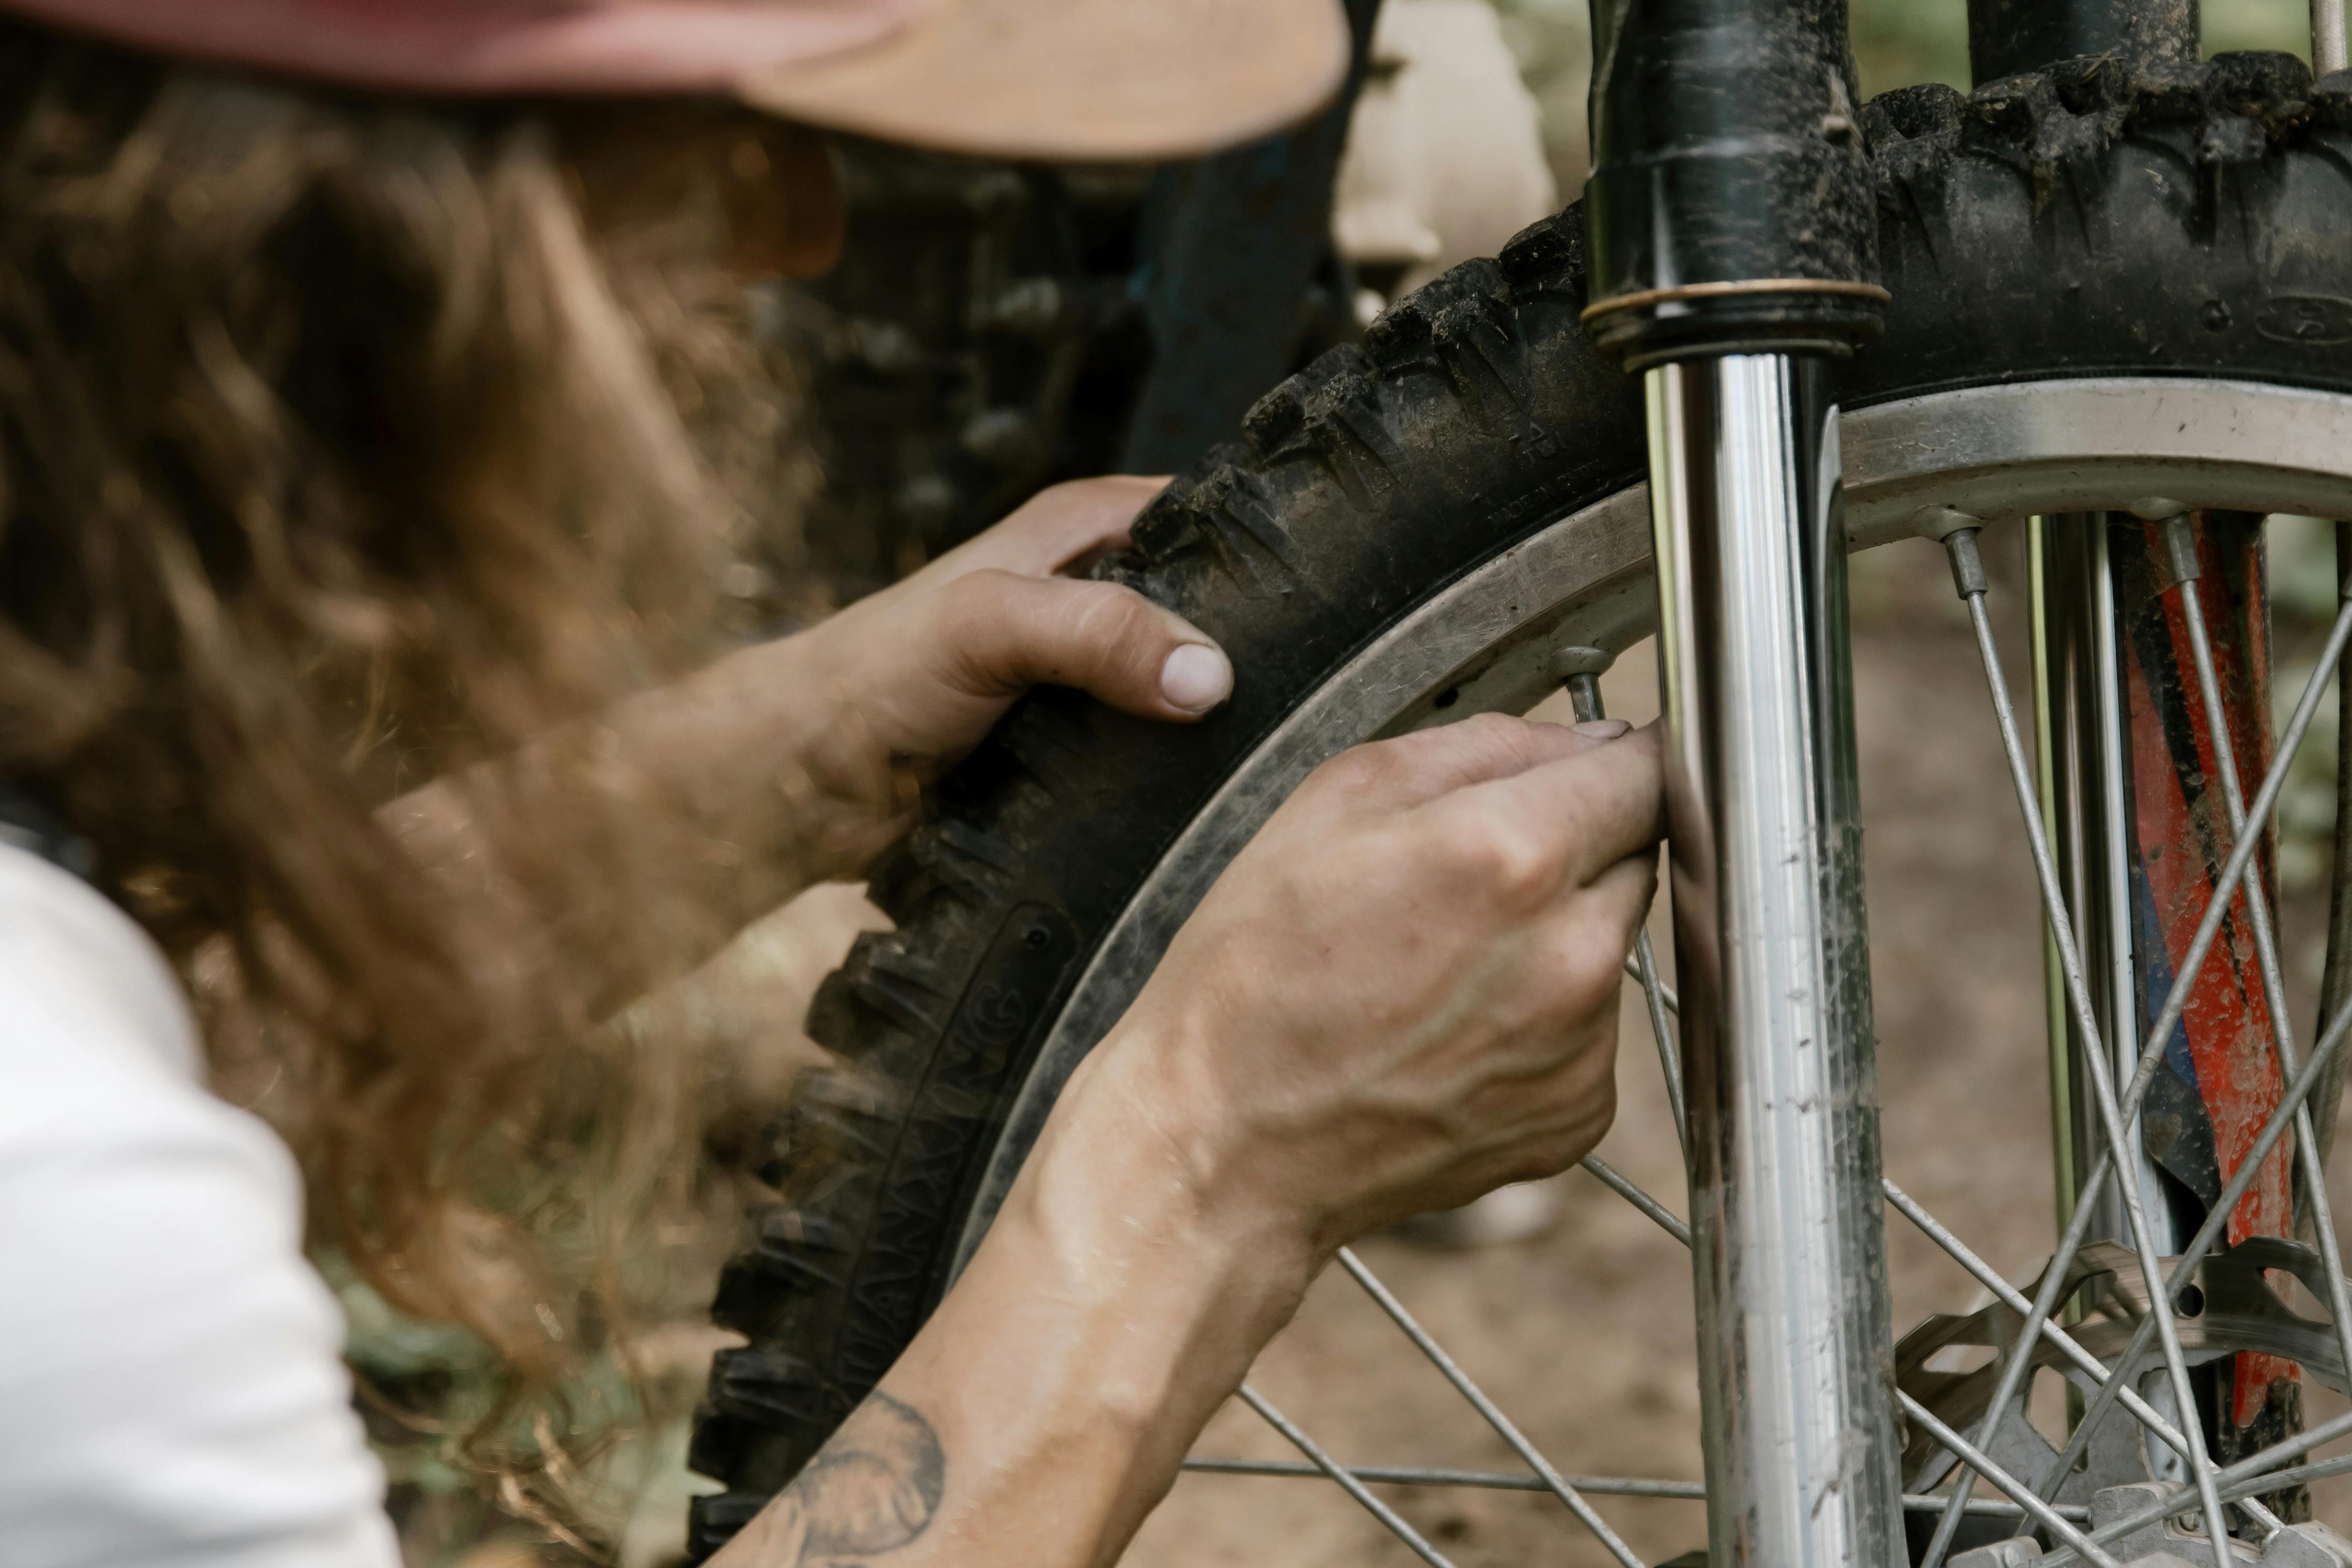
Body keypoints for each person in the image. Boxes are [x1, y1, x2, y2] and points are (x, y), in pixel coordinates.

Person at [0, 2, 1665, 1565]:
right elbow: (93, 1171)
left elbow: (159, 1036)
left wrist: (776, 762)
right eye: (703, 138)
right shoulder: (77, 1206)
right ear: (337, 217)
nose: (797, 233)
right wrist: (1210, 1157)